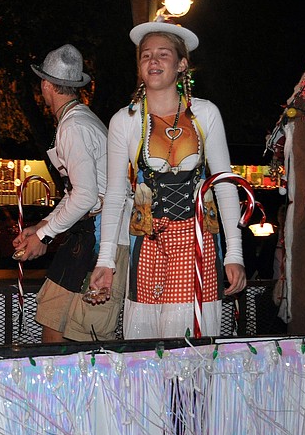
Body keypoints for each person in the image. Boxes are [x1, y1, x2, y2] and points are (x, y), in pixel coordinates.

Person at [88, 21, 245, 339]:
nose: (153, 61)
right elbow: (116, 194)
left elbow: (225, 185)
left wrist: (235, 254)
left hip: (196, 242)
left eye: (163, 54)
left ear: (181, 64)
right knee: (146, 351)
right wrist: (106, 261)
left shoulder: (205, 114)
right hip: (147, 244)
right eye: (146, 55)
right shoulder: (125, 120)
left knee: (186, 347)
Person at [14, 44, 129, 343]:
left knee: (86, 336)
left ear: (45, 85)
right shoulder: (78, 120)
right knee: (53, 320)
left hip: (106, 238)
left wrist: (43, 236)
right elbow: (79, 191)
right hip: (84, 235)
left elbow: (86, 196)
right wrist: (41, 227)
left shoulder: (74, 126)